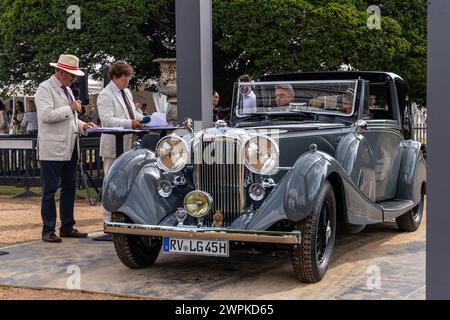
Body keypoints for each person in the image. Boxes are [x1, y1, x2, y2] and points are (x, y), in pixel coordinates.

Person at [34, 54, 97, 243]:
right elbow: (46, 116)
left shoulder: (67, 90)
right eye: (71, 75)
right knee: (50, 189)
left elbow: (70, 119)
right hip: (52, 149)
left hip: (69, 147)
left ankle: (67, 226)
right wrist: (70, 108)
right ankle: (48, 229)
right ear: (61, 72)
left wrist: (82, 126)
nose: (74, 79)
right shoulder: (45, 88)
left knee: (69, 188)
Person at [97, 61, 143, 181]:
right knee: (112, 182)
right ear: (114, 78)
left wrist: (145, 119)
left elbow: (132, 113)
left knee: (128, 181)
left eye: (128, 79)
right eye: (124, 80)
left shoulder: (126, 92)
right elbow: (107, 121)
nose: (127, 82)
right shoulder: (105, 95)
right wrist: (130, 123)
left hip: (129, 145)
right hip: (113, 147)